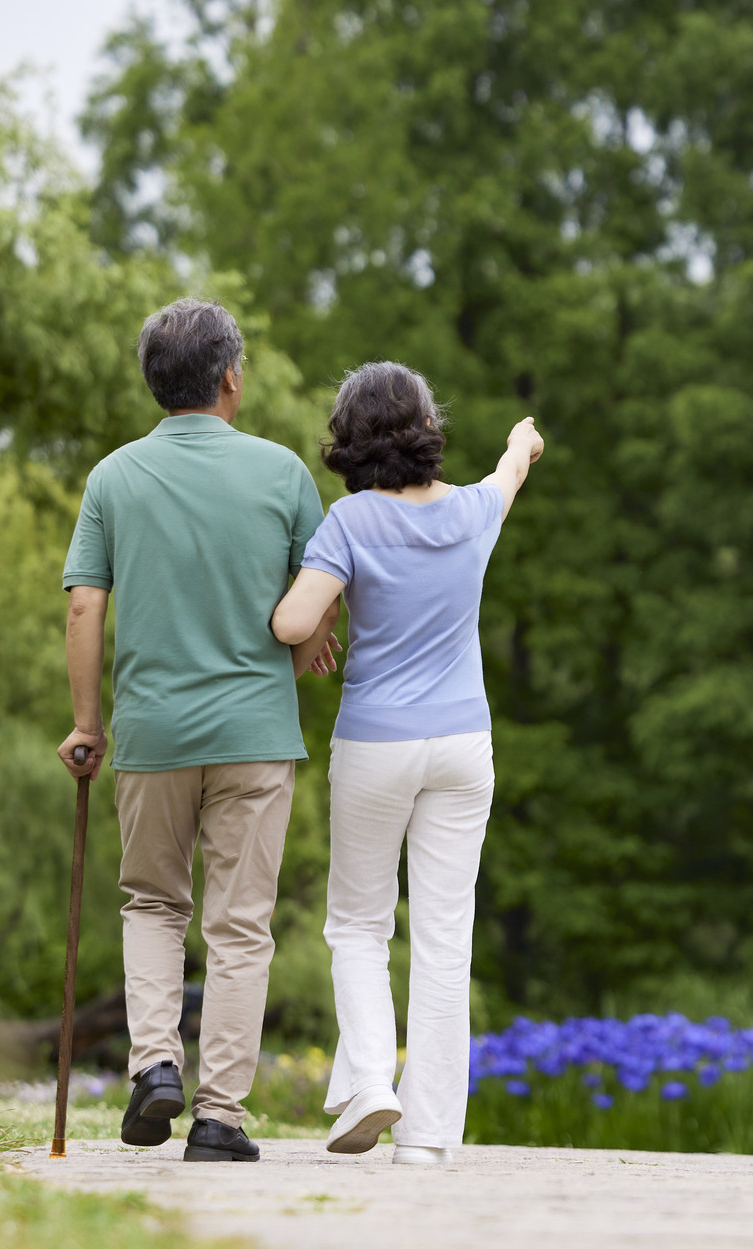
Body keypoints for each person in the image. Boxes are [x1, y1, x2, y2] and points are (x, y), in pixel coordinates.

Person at [59, 298, 340, 1163]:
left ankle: (153, 1064)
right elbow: (319, 603)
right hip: (257, 735)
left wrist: (86, 724)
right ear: (229, 377)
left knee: (152, 902)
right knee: (240, 923)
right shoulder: (283, 472)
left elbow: (84, 605)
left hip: (152, 733)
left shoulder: (113, 478)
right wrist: (277, 677)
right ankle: (220, 1117)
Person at [272, 361, 543, 1165]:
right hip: (464, 746)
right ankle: (425, 1138)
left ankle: (368, 1083)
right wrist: (522, 440)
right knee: (443, 937)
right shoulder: (470, 511)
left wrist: (322, 617)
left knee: (358, 922)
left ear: (349, 440)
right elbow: (510, 469)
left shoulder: (349, 522)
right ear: (429, 431)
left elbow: (291, 622)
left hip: (377, 742)